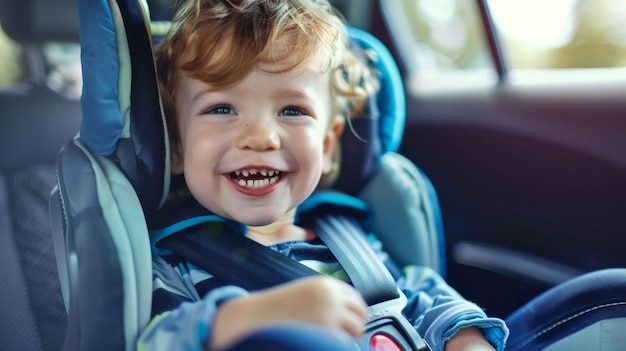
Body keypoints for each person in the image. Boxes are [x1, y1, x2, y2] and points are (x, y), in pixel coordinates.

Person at [137, 0, 508, 350]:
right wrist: (244, 318)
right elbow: (155, 339)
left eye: (292, 111)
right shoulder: (173, 267)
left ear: (327, 147)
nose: (261, 137)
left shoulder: (351, 238)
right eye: (221, 108)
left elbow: (414, 296)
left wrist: (465, 335)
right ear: (178, 147)